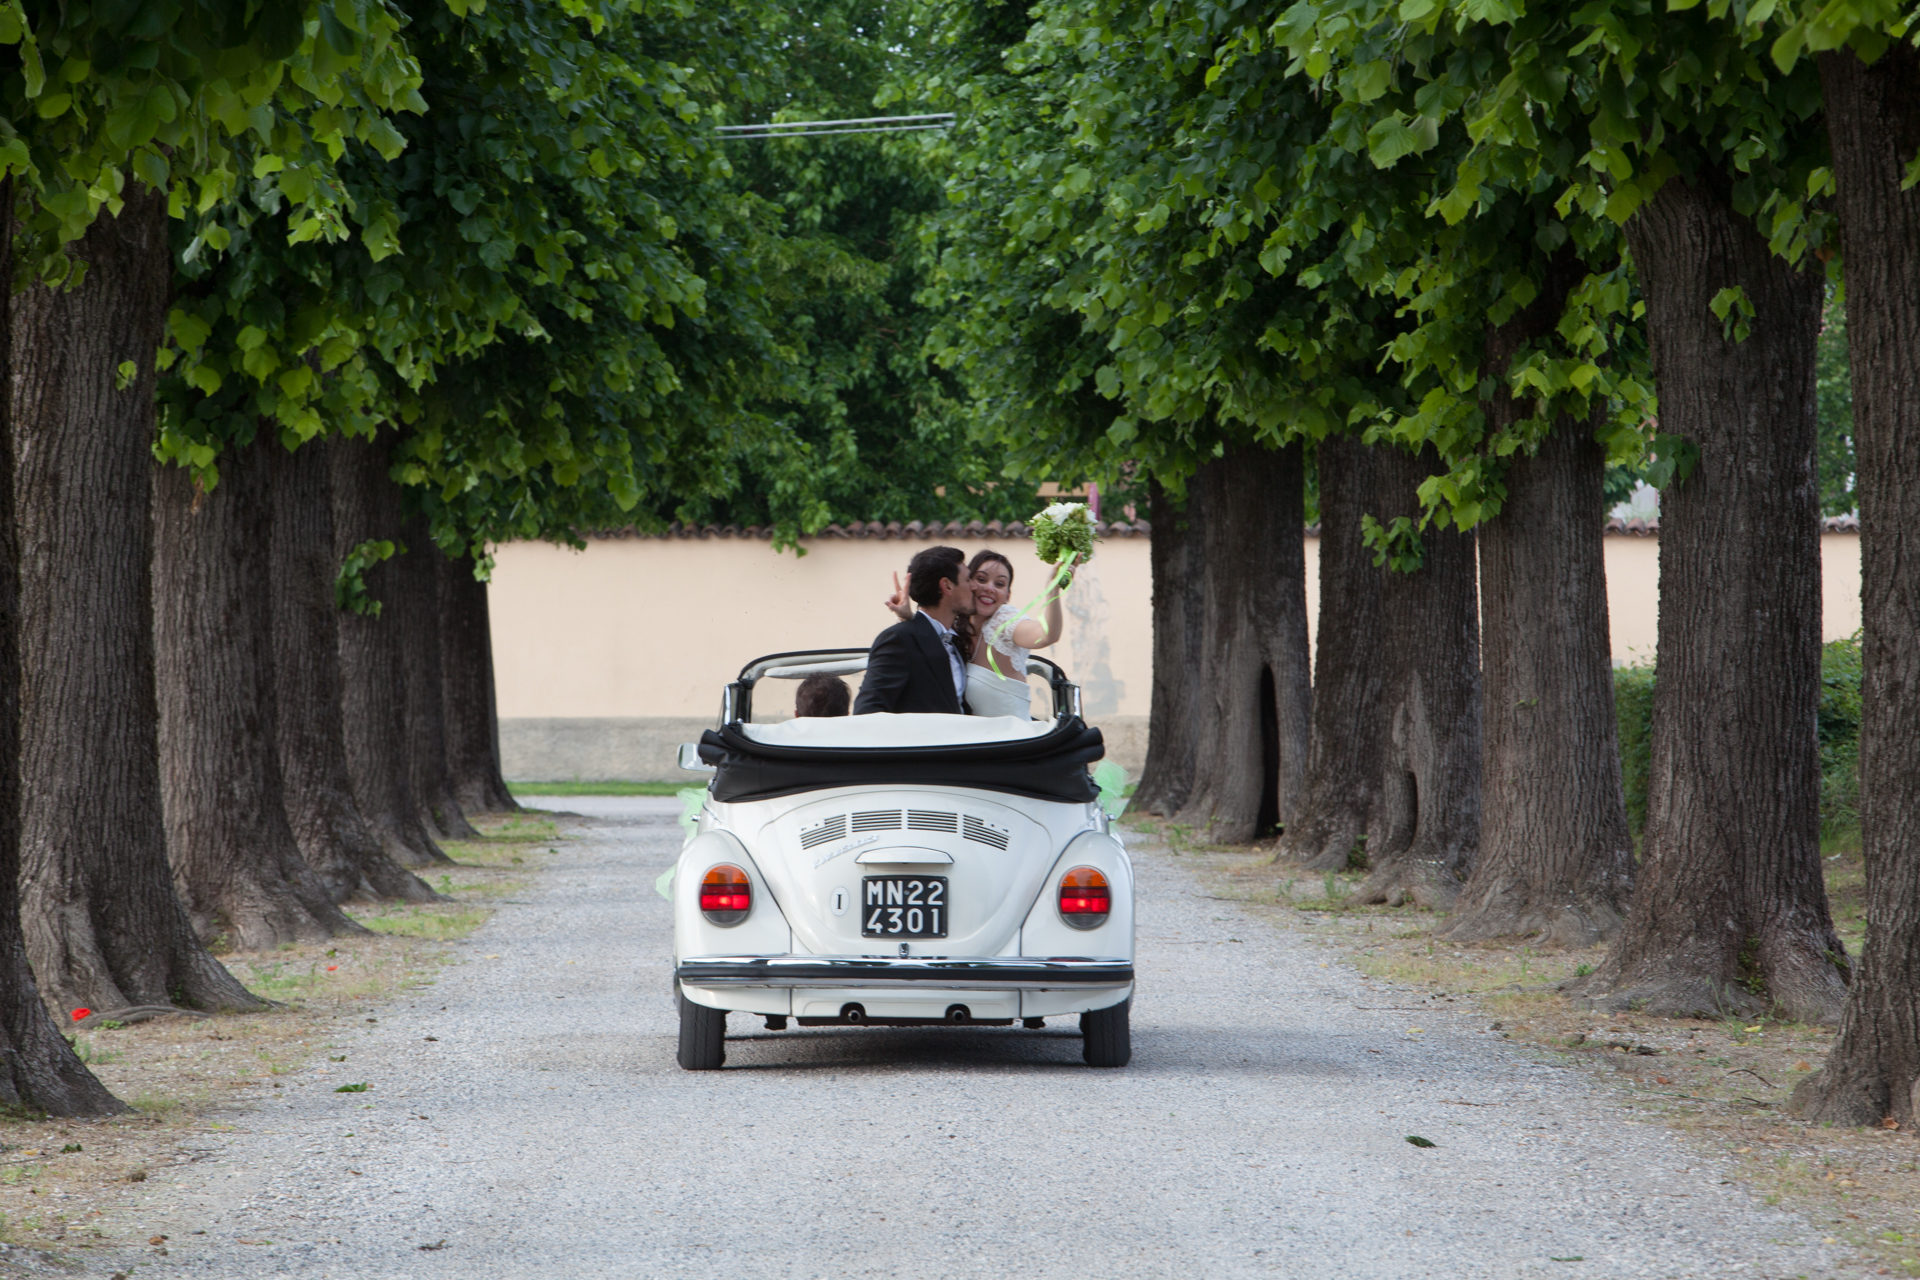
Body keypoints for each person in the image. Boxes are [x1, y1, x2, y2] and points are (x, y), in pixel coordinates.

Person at [883, 548, 1066, 719]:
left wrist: (1053, 590)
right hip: (969, 743)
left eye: (1000, 584)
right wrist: (908, 617)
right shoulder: (953, 628)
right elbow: (925, 646)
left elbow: (1046, 634)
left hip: (1012, 742)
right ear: (968, 583)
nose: (989, 588)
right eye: (981, 579)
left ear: (1007, 595)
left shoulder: (1005, 622)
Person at [853, 545, 974, 715]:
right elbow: (868, 711)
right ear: (947, 586)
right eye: (968, 580)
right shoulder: (898, 640)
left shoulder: (956, 642)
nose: (974, 587)